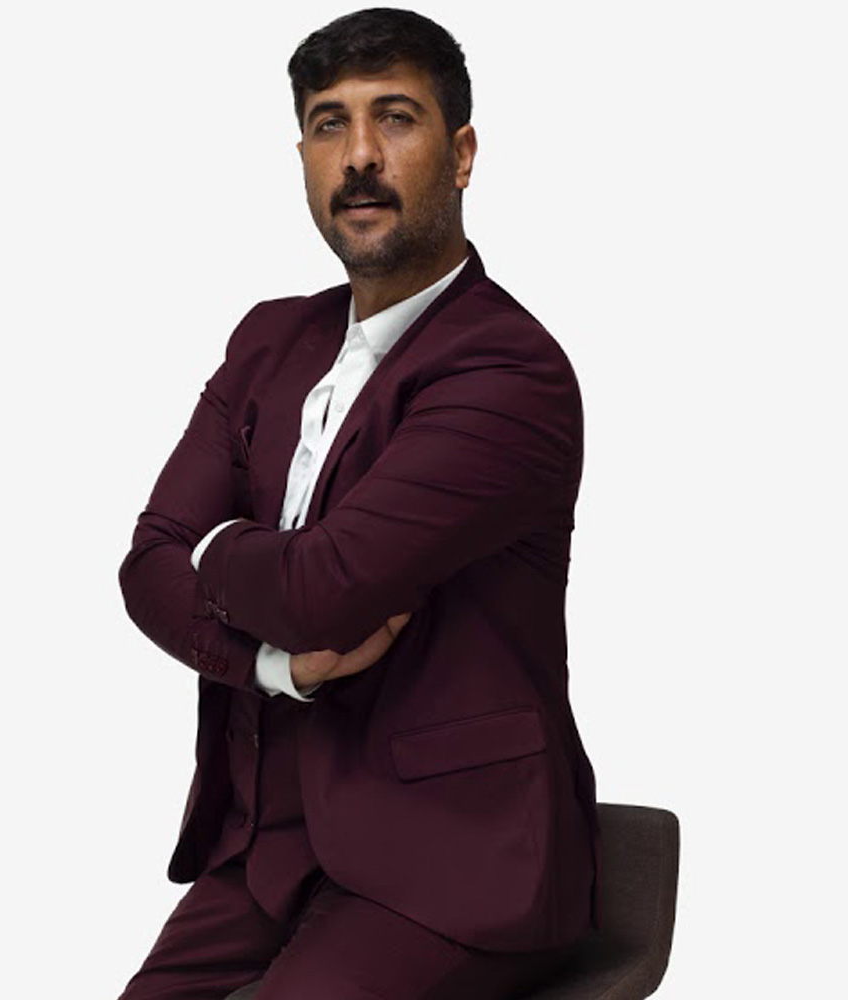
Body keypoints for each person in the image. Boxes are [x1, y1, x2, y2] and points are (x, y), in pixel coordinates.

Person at [116, 8, 601, 999]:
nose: (361, 155)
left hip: (454, 859)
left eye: (397, 117)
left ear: (461, 155)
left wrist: (213, 547)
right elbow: (145, 565)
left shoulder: (509, 370)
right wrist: (274, 667)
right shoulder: (269, 339)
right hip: (270, 841)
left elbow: (322, 592)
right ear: (302, 154)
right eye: (329, 123)